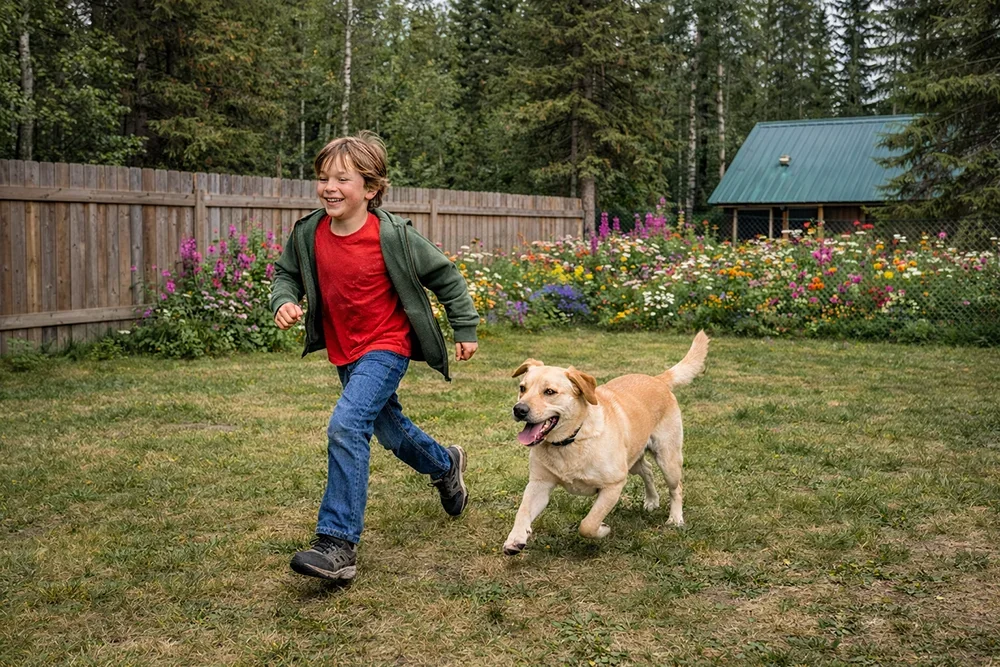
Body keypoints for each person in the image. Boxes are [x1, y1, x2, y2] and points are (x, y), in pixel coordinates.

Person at [270, 131, 480, 582]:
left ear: (370, 188)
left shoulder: (393, 236)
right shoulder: (309, 233)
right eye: (324, 177)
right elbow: (286, 273)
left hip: (388, 345)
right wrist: (283, 300)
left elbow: (446, 277)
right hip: (346, 351)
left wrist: (464, 327)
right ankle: (446, 465)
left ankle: (337, 543)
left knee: (347, 424)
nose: (329, 187)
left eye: (342, 178)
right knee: (390, 431)